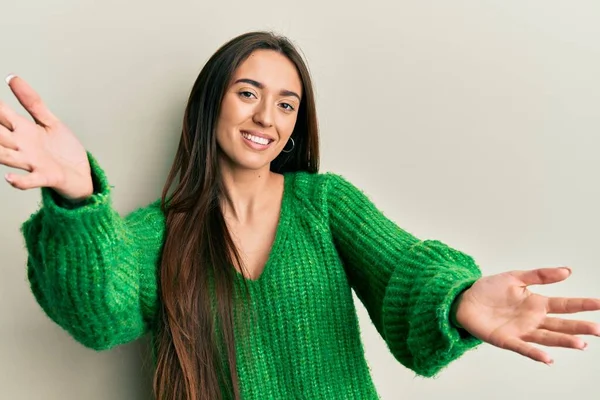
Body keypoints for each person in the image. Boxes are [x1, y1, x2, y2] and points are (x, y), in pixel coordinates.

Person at [1, 31, 598, 400]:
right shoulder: (160, 233)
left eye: (286, 103)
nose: (267, 116)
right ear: (211, 103)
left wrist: (458, 298)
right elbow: (100, 314)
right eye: (247, 93)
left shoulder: (324, 202)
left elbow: (405, 271)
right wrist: (78, 199)